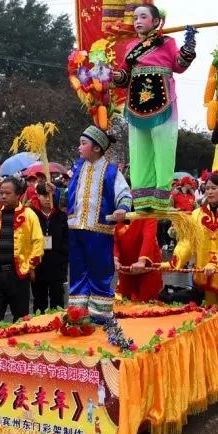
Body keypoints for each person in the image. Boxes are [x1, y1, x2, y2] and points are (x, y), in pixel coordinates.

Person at [111, 3, 196, 211]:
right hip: (136, 102)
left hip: (162, 100)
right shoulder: (130, 47)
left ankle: (161, 196)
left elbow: (179, 65)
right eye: (135, 18)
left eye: (143, 17)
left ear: (156, 21)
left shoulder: (167, 42)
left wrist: (188, 50)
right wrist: (115, 76)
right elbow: (124, 76)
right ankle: (142, 197)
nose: (137, 21)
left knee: (163, 146)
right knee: (139, 148)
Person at [178, 172, 218, 375]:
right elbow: (188, 240)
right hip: (203, 278)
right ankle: (209, 362)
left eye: (214, 188)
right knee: (206, 322)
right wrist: (175, 260)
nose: (210, 191)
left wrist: (215, 264)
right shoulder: (197, 214)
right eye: (207, 188)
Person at [67, 127, 132, 321]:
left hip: (100, 230)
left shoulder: (111, 171)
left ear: (96, 148)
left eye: (83, 143)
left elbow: (124, 193)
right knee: (78, 270)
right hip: (76, 228)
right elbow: (70, 195)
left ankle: (100, 315)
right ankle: (77, 312)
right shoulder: (78, 168)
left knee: (100, 270)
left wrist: (122, 208)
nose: (79, 147)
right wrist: (57, 193)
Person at [0, 176, 43, 325]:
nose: (3, 196)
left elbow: (38, 242)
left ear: (17, 195)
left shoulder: (29, 215)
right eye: (1, 192)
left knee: (20, 319)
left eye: (7, 193)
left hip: (18, 275)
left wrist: (30, 266)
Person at [33, 181, 69, 312]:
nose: (48, 199)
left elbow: (67, 239)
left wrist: (63, 258)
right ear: (38, 196)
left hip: (57, 265)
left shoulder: (61, 215)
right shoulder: (32, 214)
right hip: (38, 264)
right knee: (39, 301)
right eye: (44, 195)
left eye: (50, 196)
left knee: (57, 300)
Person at [114, 218, 163, 301]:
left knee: (149, 306)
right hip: (125, 268)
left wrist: (142, 260)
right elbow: (114, 239)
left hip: (148, 268)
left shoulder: (148, 212)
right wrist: (115, 258)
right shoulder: (117, 212)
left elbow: (148, 236)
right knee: (124, 306)